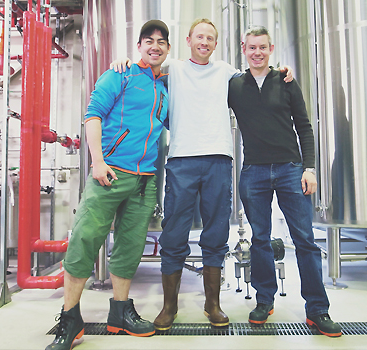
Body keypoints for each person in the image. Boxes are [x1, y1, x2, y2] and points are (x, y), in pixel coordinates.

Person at [112, 18, 292, 331]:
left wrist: (281, 71)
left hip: (219, 161)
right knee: (174, 233)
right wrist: (124, 61)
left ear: (215, 43)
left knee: (216, 232)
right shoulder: (174, 70)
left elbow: (257, 77)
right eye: (199, 37)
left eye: (210, 38)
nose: (204, 42)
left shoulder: (226, 73)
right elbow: (145, 68)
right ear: (188, 40)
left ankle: (213, 303)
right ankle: (169, 307)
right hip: (181, 161)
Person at [45, 20, 170, 350]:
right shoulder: (119, 74)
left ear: (168, 49)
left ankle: (120, 312)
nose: (155, 46)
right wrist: (98, 161)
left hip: (145, 180)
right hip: (109, 173)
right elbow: (93, 114)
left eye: (161, 42)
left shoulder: (165, 87)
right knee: (85, 238)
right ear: (139, 45)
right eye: (149, 41)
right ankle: (70, 318)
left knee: (130, 246)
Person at [228, 26, 342, 337]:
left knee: (304, 239)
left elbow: (304, 126)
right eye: (252, 47)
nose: (257, 53)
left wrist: (310, 168)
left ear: (271, 48)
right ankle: (265, 299)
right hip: (253, 171)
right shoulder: (234, 85)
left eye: (262, 47)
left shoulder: (286, 81)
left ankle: (317, 309)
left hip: (291, 168)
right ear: (244, 49)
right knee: (260, 239)